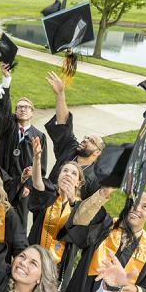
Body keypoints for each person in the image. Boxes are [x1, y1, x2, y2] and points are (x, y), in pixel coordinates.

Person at [0, 63, 49, 219]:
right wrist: (6, 79)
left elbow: (41, 168)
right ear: (15, 112)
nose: (22, 109)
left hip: (23, 188)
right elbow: (3, 107)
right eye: (19, 107)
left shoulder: (39, 136)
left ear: (32, 112)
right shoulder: (7, 127)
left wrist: (29, 185)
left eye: (26, 107)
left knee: (18, 224)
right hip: (1, 181)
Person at [27, 136, 84, 290]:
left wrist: (72, 200)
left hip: (58, 268)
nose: (68, 174)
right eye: (65, 171)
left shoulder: (80, 209)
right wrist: (37, 158)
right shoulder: (49, 195)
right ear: (58, 176)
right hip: (34, 257)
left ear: (78, 182)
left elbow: (82, 235)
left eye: (73, 173)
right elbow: (37, 183)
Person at [43, 71, 103, 199]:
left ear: (97, 152)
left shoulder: (95, 178)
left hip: (66, 216)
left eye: (92, 141)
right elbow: (64, 124)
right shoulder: (70, 148)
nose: (85, 140)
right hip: (44, 205)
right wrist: (60, 94)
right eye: (86, 137)